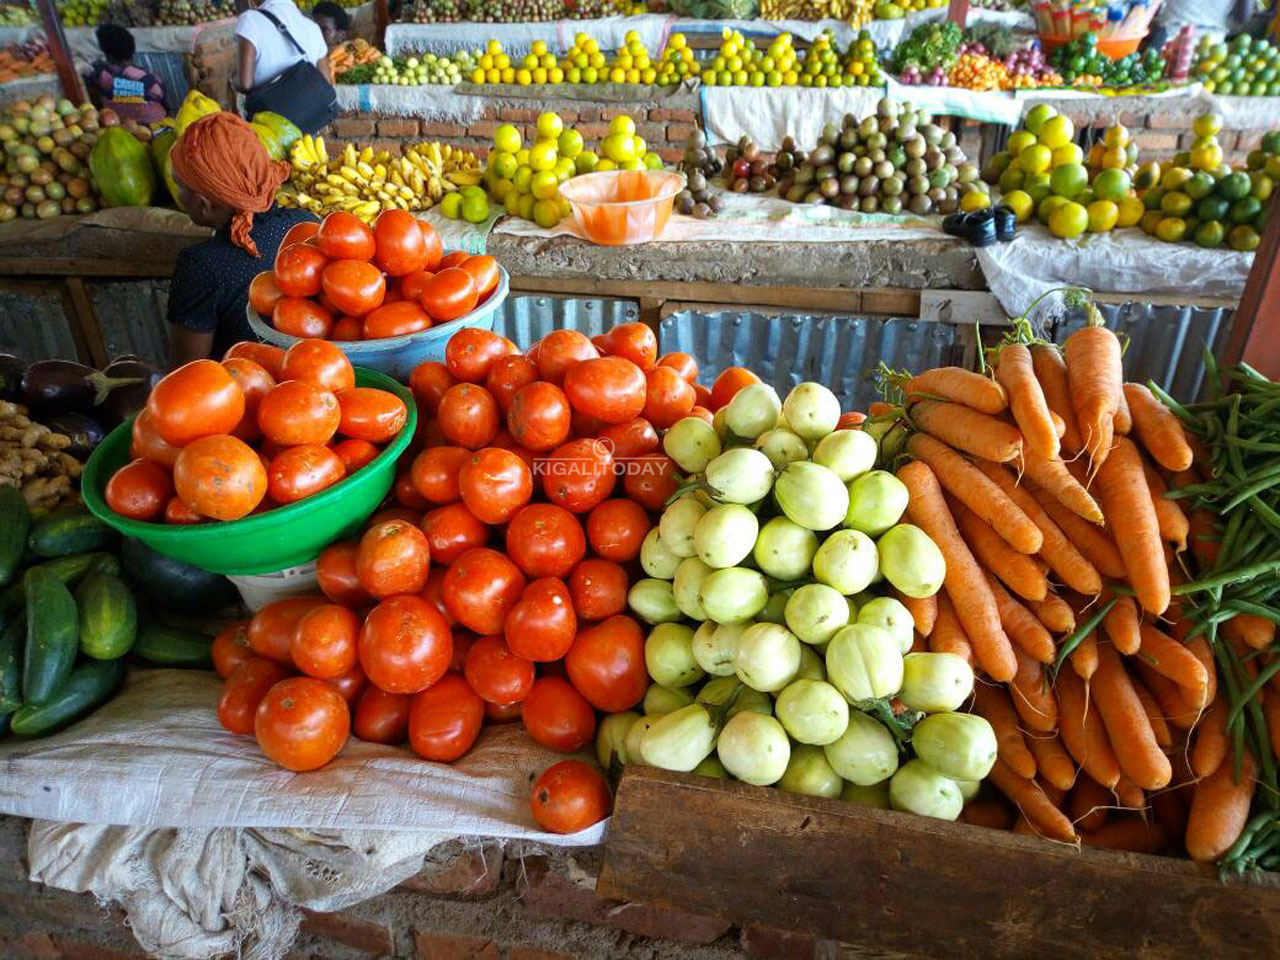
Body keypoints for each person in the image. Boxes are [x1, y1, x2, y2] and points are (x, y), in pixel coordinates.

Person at [166, 112, 317, 367]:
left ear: (204, 204)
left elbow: (188, 371)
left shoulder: (201, 265)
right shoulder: (307, 222)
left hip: (249, 396)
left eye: (178, 186)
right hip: (319, 378)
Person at [234, 0, 333, 95]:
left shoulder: (250, 19)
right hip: (310, 109)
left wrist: (233, 80)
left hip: (269, 110)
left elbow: (245, 85)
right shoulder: (313, 28)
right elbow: (327, 83)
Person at [83, 24, 168, 125]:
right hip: (159, 123)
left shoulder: (103, 75)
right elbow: (161, 97)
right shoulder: (152, 77)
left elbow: (87, 74)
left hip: (123, 126)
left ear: (107, 54)